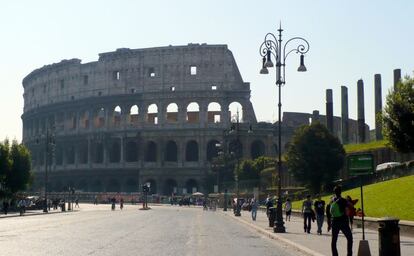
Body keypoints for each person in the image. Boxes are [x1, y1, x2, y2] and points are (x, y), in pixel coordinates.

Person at [328, 185, 353, 256]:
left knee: (334, 240)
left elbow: (328, 211)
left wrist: (329, 224)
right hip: (343, 221)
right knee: (349, 238)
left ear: (334, 192)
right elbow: (351, 206)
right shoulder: (343, 200)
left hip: (334, 221)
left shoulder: (332, 200)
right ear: (341, 192)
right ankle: (349, 254)